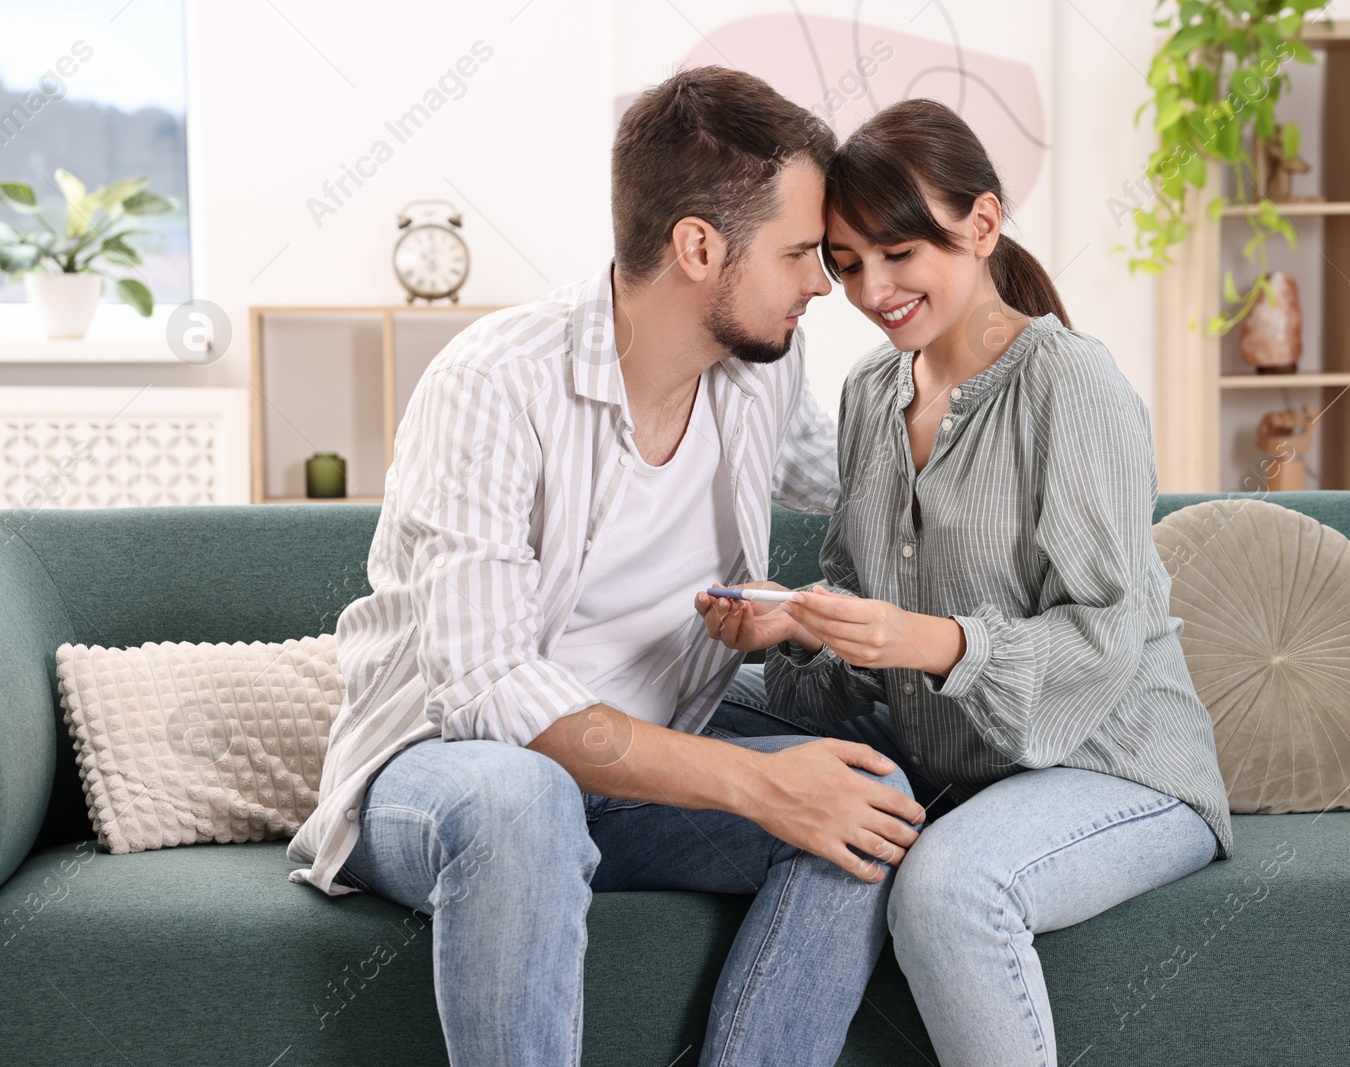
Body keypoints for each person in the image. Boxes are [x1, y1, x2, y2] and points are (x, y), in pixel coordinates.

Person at [285, 66, 927, 1067]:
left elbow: (864, 472)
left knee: (868, 792)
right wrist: (756, 787)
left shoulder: (757, 365)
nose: (821, 283)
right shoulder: (494, 382)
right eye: (801, 252)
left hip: (648, 749)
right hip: (442, 771)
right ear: (698, 246)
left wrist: (989, 364)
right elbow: (489, 686)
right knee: (523, 798)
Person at [695, 99, 1235, 1067]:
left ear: (980, 226)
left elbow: (1107, 633)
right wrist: (801, 629)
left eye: (899, 253)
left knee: (949, 887)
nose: (873, 288)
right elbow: (862, 622)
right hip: (945, 750)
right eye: (847, 262)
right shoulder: (870, 393)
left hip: (1111, 758)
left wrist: (924, 639)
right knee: (678, 697)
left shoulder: (1068, 383)